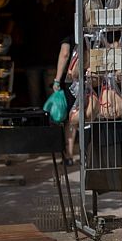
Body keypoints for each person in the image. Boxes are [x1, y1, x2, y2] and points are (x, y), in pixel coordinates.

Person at [21, 0, 72, 107]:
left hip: (52, 61)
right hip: (32, 60)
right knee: (34, 100)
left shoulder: (62, 5)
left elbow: (67, 30)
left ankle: (50, 121)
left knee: (52, 100)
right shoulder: (29, 5)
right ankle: (37, 121)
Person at [52, 36, 75, 166]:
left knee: (71, 118)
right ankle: (87, 154)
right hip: (91, 78)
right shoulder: (90, 31)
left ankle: (69, 154)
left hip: (71, 80)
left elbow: (65, 54)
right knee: (88, 116)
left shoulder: (68, 35)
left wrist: (57, 80)